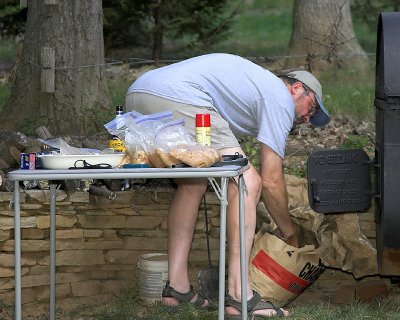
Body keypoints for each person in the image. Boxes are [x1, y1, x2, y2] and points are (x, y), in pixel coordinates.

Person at [125, 53, 330, 318]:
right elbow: (271, 179)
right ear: (297, 88)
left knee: (192, 184)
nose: (307, 119)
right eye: (310, 109)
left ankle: (177, 289)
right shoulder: (278, 97)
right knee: (247, 180)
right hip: (179, 95)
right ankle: (239, 295)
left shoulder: (253, 89)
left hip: (139, 93)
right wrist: (288, 232)